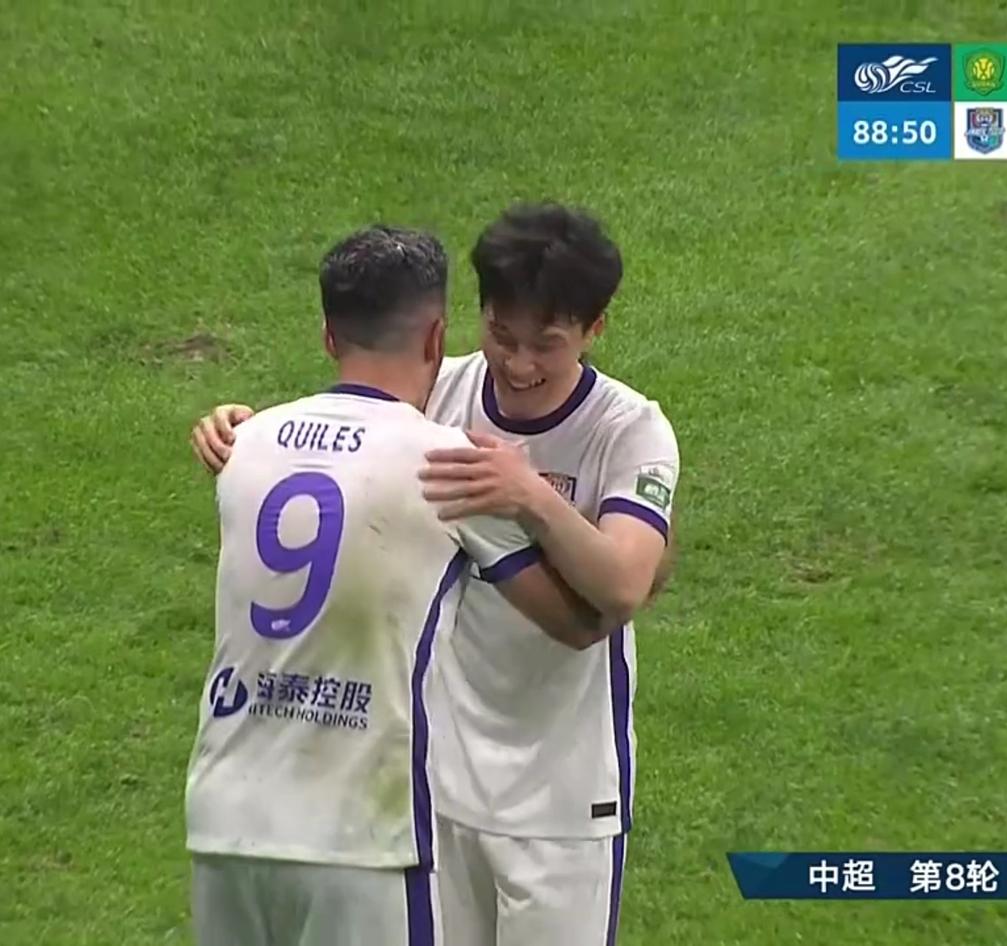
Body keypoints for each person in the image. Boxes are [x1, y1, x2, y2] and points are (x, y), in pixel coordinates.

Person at [190, 203, 680, 946]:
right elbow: (351, 445)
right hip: (433, 785)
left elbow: (622, 586)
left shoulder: (629, 428)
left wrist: (530, 496)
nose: (519, 364)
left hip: (565, 794)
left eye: (545, 345)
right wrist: (241, 430)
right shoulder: (439, 394)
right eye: (502, 336)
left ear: (594, 329)